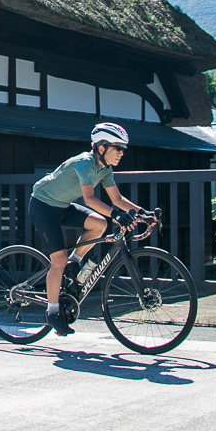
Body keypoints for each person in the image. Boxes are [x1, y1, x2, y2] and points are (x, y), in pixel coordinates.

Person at [28, 122, 147, 336]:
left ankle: (74, 263)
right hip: (43, 206)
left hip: (62, 206)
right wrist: (116, 214)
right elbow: (89, 199)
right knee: (58, 260)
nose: (121, 153)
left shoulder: (105, 169)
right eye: (117, 148)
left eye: (123, 149)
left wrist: (143, 213)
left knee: (99, 224)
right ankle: (52, 312)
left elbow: (117, 199)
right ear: (101, 148)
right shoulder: (85, 163)